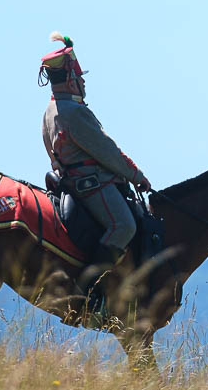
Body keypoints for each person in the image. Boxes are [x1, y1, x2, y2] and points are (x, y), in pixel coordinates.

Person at [39, 32, 152, 270]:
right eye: (79, 76)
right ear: (70, 79)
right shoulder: (75, 111)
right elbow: (107, 151)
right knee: (124, 226)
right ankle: (93, 285)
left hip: (69, 180)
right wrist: (136, 176)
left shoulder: (50, 110)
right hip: (91, 184)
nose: (83, 82)